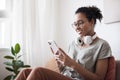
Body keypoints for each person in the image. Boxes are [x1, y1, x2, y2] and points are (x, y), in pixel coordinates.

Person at [15, 6, 112, 80]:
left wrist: (72, 64)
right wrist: (61, 66)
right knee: (25, 71)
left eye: (80, 23)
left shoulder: (102, 45)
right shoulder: (73, 44)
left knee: (38, 71)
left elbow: (99, 78)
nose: (77, 27)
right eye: (75, 24)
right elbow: (66, 71)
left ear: (92, 22)